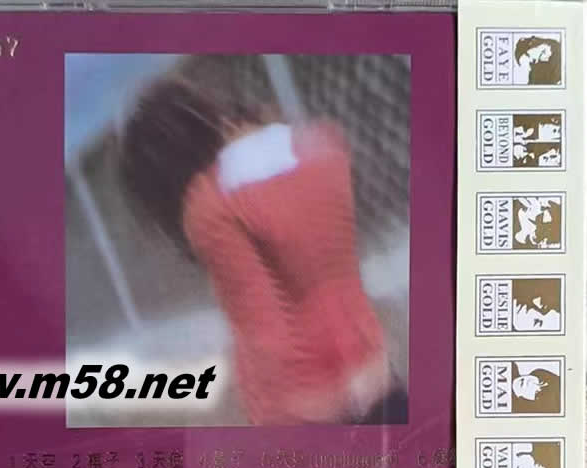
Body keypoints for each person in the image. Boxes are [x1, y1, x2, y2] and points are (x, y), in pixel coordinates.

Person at [119, 75, 391, 425]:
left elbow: (267, 333)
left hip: (314, 414)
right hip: (375, 370)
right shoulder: (320, 146)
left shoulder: (210, 206)